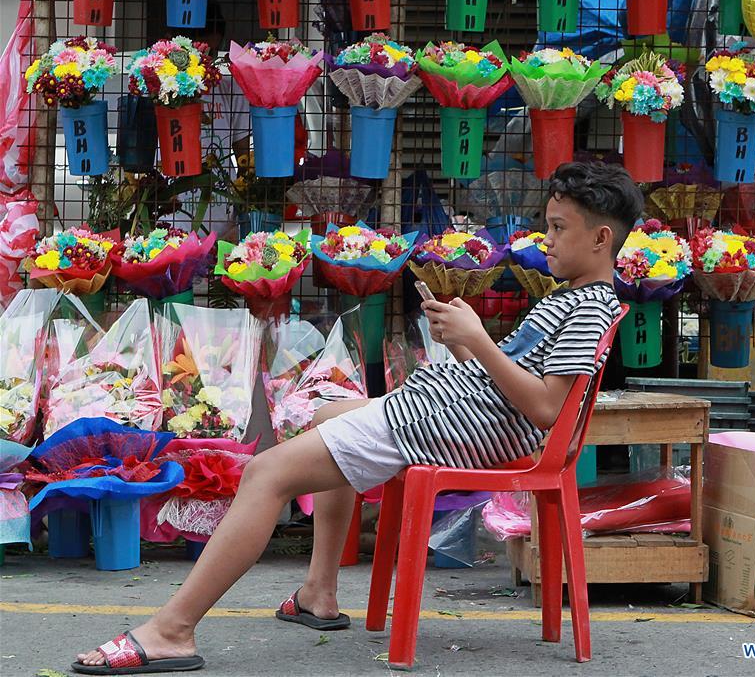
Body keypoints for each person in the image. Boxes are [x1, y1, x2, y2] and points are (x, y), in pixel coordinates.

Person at [73, 161, 644, 675]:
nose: (546, 240)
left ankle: (172, 631)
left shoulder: (586, 306)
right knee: (325, 414)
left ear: (600, 238)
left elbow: (545, 408)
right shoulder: (571, 298)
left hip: (444, 424)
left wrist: (478, 342)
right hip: (449, 411)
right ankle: (319, 592)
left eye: (559, 228)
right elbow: (519, 383)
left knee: (264, 474)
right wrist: (466, 343)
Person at [155, 1, 250, 242]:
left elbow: (242, 152)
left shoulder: (228, 86)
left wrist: (247, 196)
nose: (207, 63)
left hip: (221, 216)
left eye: (212, 53)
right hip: (172, 216)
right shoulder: (158, 85)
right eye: (200, 54)